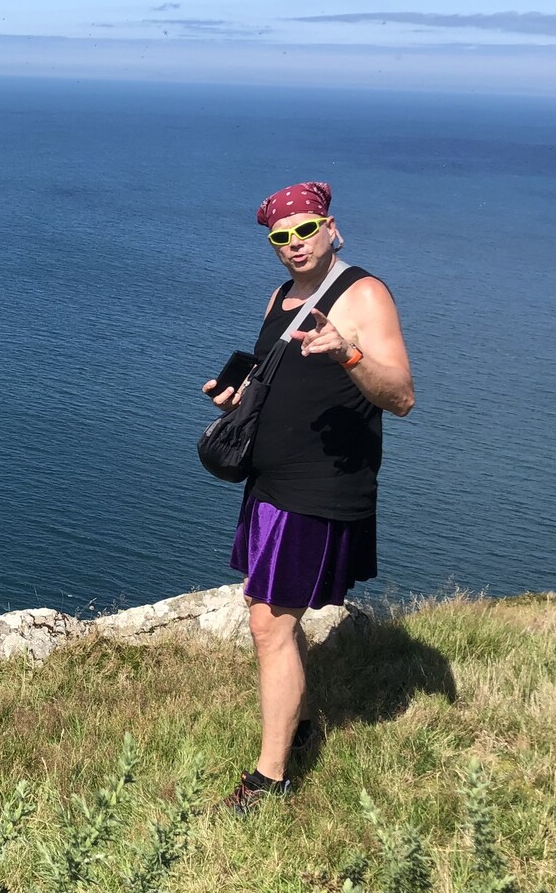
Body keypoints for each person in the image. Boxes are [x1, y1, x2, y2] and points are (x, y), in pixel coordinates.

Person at [202, 181, 415, 814]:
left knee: (270, 625)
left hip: (319, 485)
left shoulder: (366, 294)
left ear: (332, 228)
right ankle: (290, 730)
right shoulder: (283, 295)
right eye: (279, 236)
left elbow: (401, 395)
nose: (294, 245)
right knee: (268, 621)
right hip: (271, 482)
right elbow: (277, 377)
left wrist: (347, 353)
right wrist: (235, 396)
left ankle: (270, 780)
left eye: (305, 230)